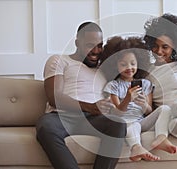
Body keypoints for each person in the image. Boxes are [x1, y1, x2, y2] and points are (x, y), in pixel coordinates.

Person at [35, 22, 127, 169]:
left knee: (118, 123)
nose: (96, 51)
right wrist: (90, 107)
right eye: (90, 45)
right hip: (61, 117)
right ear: (77, 42)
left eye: (100, 45)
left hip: (94, 119)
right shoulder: (60, 60)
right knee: (45, 126)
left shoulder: (104, 68)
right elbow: (54, 97)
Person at [100, 36, 177, 162]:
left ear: (139, 64)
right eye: (123, 64)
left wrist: (143, 105)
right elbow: (117, 113)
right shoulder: (113, 86)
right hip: (126, 123)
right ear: (116, 66)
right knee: (131, 124)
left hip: (142, 121)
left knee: (165, 109)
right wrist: (127, 99)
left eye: (133, 63)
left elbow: (148, 111)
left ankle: (161, 138)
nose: (129, 67)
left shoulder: (145, 84)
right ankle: (136, 147)